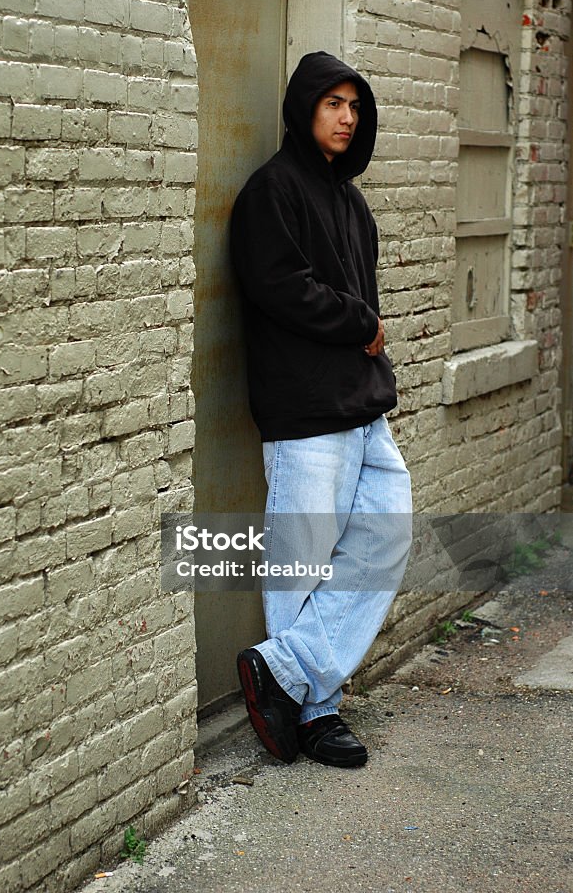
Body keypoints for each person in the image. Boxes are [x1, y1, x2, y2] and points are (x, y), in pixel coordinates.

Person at [230, 51, 412, 767]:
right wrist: (359, 324)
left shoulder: (350, 202)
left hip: (363, 409)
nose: (345, 117)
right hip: (305, 414)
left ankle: (287, 668)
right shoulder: (270, 191)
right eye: (332, 103)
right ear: (304, 108)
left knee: (385, 534)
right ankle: (316, 714)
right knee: (300, 565)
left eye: (354, 107)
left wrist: (367, 340)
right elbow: (277, 285)